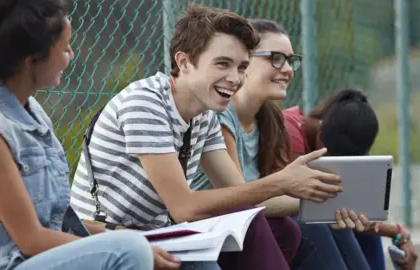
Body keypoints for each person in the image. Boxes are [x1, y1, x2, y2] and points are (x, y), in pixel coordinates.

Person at [69, 4, 346, 270]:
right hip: (104, 238)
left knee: (283, 229)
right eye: (222, 64)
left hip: (156, 235)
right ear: (184, 61)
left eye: (241, 67)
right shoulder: (146, 103)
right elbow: (184, 208)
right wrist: (280, 182)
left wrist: (325, 202)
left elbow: (243, 198)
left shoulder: (203, 115)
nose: (234, 78)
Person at [0, 0, 181, 270]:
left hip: (41, 256)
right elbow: (30, 240)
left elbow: (58, 222)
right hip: (12, 263)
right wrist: (123, 244)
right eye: (65, 48)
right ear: (32, 61)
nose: (71, 55)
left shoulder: (32, 111)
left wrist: (124, 235)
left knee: (154, 247)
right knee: (130, 252)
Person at [190, 19, 373, 270]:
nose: (287, 69)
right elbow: (241, 199)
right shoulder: (220, 116)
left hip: (254, 228)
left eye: (290, 60)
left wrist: (331, 205)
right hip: (212, 230)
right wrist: (323, 202)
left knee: (332, 223)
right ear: (245, 60)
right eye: (275, 58)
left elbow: (277, 193)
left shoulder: (270, 118)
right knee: (311, 225)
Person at [283, 88, 418, 270]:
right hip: (292, 223)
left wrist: (398, 233)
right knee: (335, 225)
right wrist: (397, 232)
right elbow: (316, 208)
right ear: (321, 132)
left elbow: (345, 210)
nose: (335, 164)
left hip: (322, 222)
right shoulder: (291, 133)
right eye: (332, 157)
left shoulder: (339, 135)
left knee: (363, 228)